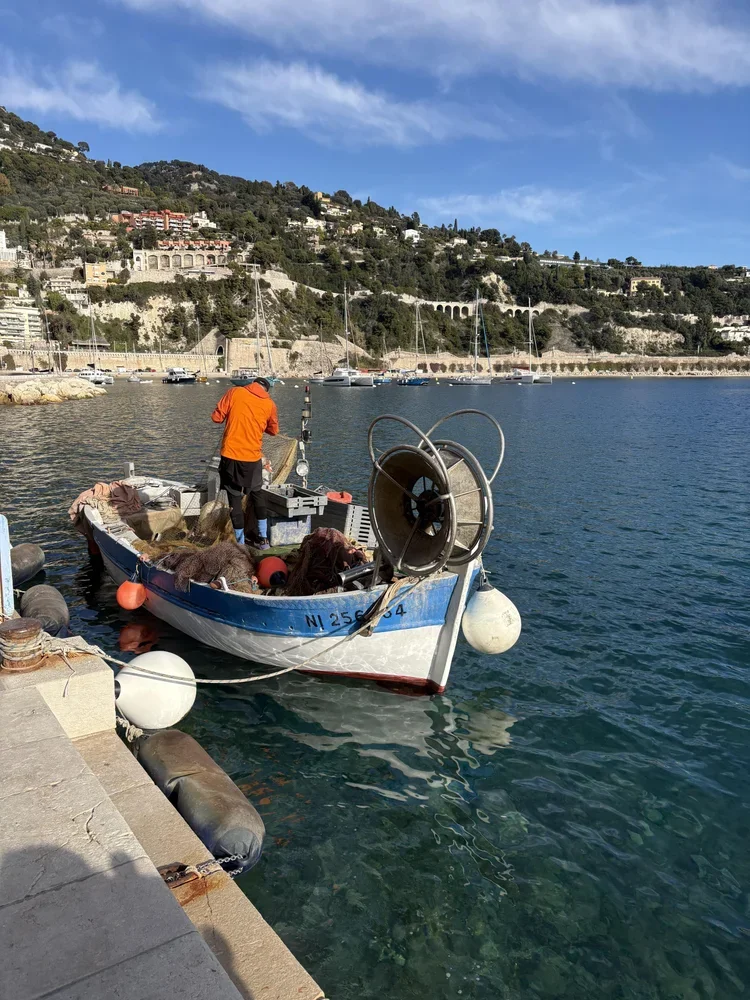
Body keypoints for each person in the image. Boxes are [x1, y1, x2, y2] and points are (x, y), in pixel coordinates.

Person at [211, 376, 279, 548]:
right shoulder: (269, 404)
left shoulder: (234, 392)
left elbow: (216, 418)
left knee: (234, 498)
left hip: (231, 457)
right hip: (253, 459)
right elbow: (273, 430)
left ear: (251, 384)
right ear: (266, 390)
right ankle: (263, 538)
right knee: (257, 494)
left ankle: (240, 544)